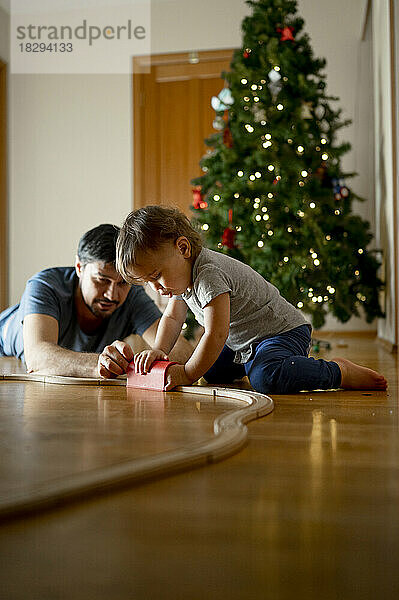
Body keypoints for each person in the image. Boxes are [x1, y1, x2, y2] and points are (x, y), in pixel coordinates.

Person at [115, 205, 388, 393]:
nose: (156, 287)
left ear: (183, 248)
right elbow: (172, 317)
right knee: (213, 372)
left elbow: (215, 333)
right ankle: (252, 362)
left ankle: (338, 372)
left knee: (266, 378)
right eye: (147, 282)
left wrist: (187, 374)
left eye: (156, 275)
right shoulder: (181, 281)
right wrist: (160, 350)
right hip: (243, 341)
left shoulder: (208, 274)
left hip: (282, 332)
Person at [0, 223, 193, 378]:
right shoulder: (46, 285)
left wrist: (150, 361)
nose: (112, 295)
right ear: (79, 267)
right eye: (102, 280)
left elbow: (181, 350)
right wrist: (100, 363)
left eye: (122, 283)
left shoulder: (133, 296)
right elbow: (37, 359)